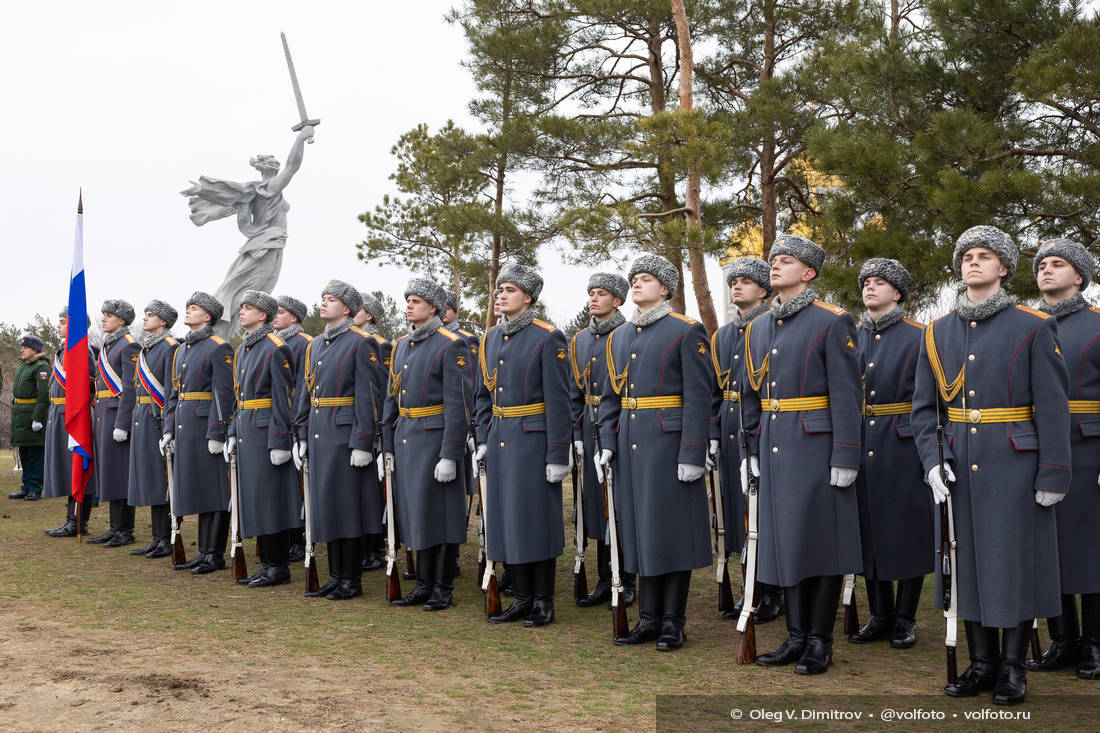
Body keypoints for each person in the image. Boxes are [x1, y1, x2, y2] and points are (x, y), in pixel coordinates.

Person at [914, 225, 1070, 704]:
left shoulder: (1033, 324)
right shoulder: (937, 332)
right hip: (959, 461)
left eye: (984, 256)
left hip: (1014, 462)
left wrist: (1054, 473)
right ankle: (980, 662)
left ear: (1003, 268)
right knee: (965, 563)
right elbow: (925, 409)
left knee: (1012, 564)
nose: (973, 262)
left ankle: (1011, 666)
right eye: (967, 256)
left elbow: (1053, 406)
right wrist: (932, 459)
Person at [740, 235, 863, 674]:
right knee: (785, 544)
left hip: (816, 444)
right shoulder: (758, 326)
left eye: (785, 261)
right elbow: (750, 394)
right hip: (775, 445)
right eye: (773, 260)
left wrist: (846, 455)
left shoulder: (832, 320)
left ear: (808, 273)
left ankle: (819, 641)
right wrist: (749, 449)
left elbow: (847, 395)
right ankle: (795, 636)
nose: (774, 266)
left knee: (821, 546)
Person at [594, 254, 713, 650]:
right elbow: (612, 397)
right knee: (640, 532)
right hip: (630, 446)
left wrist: (693, 453)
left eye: (645, 279)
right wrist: (607, 446)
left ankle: (672, 622)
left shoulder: (686, 330)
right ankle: (648, 618)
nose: (636, 285)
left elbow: (699, 396)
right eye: (634, 279)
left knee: (671, 534)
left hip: (669, 445)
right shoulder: (620, 336)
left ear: (665, 289)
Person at [474, 264, 571, 627]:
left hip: (534, 440)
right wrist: (483, 438)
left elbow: (559, 401)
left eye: (510, 290)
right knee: (507, 521)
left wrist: (558, 453)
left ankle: (543, 599)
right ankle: (523, 598)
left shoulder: (547, 337)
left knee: (535, 521)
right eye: (499, 289)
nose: (501, 295)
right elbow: (483, 395)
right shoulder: (490, 338)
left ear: (528, 297)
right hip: (501, 438)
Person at [848, 259, 932, 649]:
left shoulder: (920, 335)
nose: (869, 288)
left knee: (908, 530)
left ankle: (905, 617)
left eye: (879, 283)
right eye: (866, 282)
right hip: (861, 440)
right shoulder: (851, 334)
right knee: (867, 528)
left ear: (897, 293)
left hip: (904, 442)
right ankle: (879, 614)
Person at [1027, 238, 1100, 681]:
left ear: (1080, 276)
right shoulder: (1026, 324)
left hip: (1088, 447)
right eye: (1042, 265)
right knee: (1048, 546)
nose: (1047, 270)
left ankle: (1094, 642)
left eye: (1057, 264)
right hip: (1036, 447)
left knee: (1089, 550)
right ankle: (1064, 639)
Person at [382, 278, 472, 611]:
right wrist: (387, 443)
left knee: (441, 516)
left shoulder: (451, 344)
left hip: (435, 437)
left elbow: (458, 404)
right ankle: (423, 582)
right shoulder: (403, 345)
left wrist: (450, 453)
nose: (409, 305)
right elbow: (392, 396)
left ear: (432, 307)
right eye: (407, 300)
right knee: (416, 514)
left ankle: (442, 586)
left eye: (416, 300)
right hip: (407, 435)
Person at [292, 281, 383, 600]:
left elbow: (368, 395)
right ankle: (334, 575)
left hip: (345, 433)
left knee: (347, 507)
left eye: (330, 300)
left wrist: (362, 440)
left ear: (347, 308)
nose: (323, 304)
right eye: (322, 299)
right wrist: (301, 433)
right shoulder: (315, 344)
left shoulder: (361, 342)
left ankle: (351, 579)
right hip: (319, 430)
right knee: (326, 506)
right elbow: (307, 391)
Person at [708, 258, 783, 622]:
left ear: (763, 290)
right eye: (733, 281)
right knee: (735, 510)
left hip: (763, 424)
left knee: (764, 509)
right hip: (728, 422)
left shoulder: (772, 327)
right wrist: (711, 433)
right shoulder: (722, 336)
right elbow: (711, 390)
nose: (736, 287)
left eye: (746, 282)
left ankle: (770, 590)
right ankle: (747, 586)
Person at [568, 272, 637, 608]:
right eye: (591, 292)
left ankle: (627, 577)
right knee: (595, 504)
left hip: (621, 426)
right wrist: (575, 431)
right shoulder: (580, 339)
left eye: (601, 294)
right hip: (588, 427)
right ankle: (603, 575)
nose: (593, 298)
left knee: (619, 504)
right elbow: (574, 392)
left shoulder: (627, 334)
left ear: (618, 300)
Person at [226, 290, 300, 587]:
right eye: (241, 307)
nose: (242, 312)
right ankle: (267, 563)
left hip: (267, 430)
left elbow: (284, 399)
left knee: (271, 500)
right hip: (247, 428)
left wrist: (281, 440)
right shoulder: (245, 348)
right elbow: (237, 396)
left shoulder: (275, 347)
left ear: (263, 315)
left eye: (248, 308)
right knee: (255, 498)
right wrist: (232, 431)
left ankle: (278, 566)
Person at [161, 292, 234, 575]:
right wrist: (169, 429)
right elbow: (172, 394)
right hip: (184, 425)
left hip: (206, 427)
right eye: (188, 307)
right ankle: (203, 550)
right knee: (200, 489)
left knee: (216, 491)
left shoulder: (219, 347)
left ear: (207, 317)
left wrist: (218, 431)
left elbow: (223, 394)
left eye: (194, 309)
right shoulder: (180, 350)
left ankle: (214, 552)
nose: (187, 312)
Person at [127, 300, 180, 558]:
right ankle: (156, 537)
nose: (145, 318)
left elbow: (171, 389)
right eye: (145, 314)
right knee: (150, 479)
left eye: (151, 315)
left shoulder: (170, 347)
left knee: (163, 480)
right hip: (142, 416)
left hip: (157, 418)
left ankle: (169, 537)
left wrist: (168, 424)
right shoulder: (147, 348)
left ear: (164, 321)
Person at [88, 300, 141, 548]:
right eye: (103, 315)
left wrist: (123, 421)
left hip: (115, 413)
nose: (103, 319)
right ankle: (114, 527)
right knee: (109, 471)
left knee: (120, 473)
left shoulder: (129, 345)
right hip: (102, 412)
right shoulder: (110, 344)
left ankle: (125, 529)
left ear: (122, 320)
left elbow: (130, 387)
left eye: (108, 316)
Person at [43, 308, 97, 537]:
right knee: (67, 469)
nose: (58, 326)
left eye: (63, 322)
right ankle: (70, 519)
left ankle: (77, 522)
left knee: (77, 466)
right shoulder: (64, 351)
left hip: (73, 414)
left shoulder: (81, 349)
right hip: (58, 411)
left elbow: (90, 381)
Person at [274, 294, 313, 562]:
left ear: (294, 317)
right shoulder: (275, 343)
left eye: (281, 312)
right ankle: (286, 535)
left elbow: (302, 388)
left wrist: (296, 422)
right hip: (279, 418)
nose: (275, 315)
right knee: (282, 485)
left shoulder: (304, 344)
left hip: (294, 418)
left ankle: (300, 538)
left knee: (299, 484)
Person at [355, 290, 392, 572]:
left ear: (368, 315)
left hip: (376, 424)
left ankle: (376, 547)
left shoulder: (381, 344)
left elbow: (382, 388)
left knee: (373, 491)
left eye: (358, 309)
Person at [9, 334, 51, 501]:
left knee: (35, 454)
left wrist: (38, 418)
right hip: (20, 414)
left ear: (35, 350)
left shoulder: (41, 367)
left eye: (25, 347)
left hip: (32, 414)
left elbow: (43, 396)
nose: (22, 350)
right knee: (25, 452)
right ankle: (26, 486)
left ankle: (36, 487)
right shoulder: (23, 367)